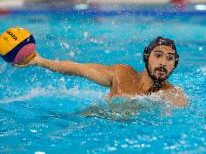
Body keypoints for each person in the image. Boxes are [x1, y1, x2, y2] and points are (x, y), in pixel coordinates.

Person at [16, 36, 187, 107]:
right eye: (158, 55)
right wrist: (40, 61)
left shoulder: (173, 95)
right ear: (146, 57)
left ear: (175, 64)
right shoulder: (121, 74)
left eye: (170, 58)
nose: (163, 63)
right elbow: (78, 68)